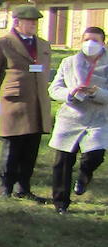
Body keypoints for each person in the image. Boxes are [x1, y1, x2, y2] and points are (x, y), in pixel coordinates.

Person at [0, 4, 53, 202]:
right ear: (16, 22)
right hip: (15, 103)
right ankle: (5, 186)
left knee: (31, 147)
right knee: (13, 147)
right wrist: (0, 99)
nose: (33, 25)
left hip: (38, 103)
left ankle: (24, 187)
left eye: (35, 22)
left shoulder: (43, 45)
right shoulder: (1, 44)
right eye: (29, 21)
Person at [48, 27, 108, 214]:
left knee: (95, 155)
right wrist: (70, 93)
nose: (90, 43)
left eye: (95, 40)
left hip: (98, 117)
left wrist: (96, 92)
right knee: (62, 161)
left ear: (103, 43)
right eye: (86, 39)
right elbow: (54, 89)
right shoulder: (68, 62)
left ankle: (84, 174)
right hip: (71, 117)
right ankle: (61, 203)